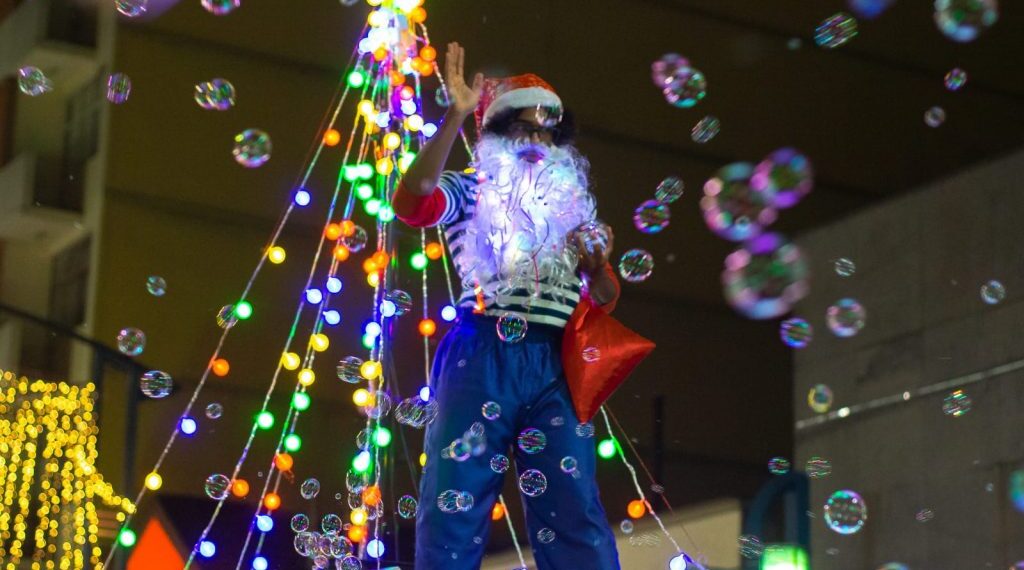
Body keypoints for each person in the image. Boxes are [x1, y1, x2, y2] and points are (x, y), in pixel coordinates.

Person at [394, 42, 622, 570]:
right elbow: (412, 200)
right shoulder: (472, 190)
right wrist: (453, 116)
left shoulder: (572, 206)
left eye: (547, 130)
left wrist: (596, 268)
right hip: (483, 350)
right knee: (456, 498)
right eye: (522, 127)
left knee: (573, 506)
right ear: (493, 134)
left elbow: (605, 298)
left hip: (558, 363)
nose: (536, 141)